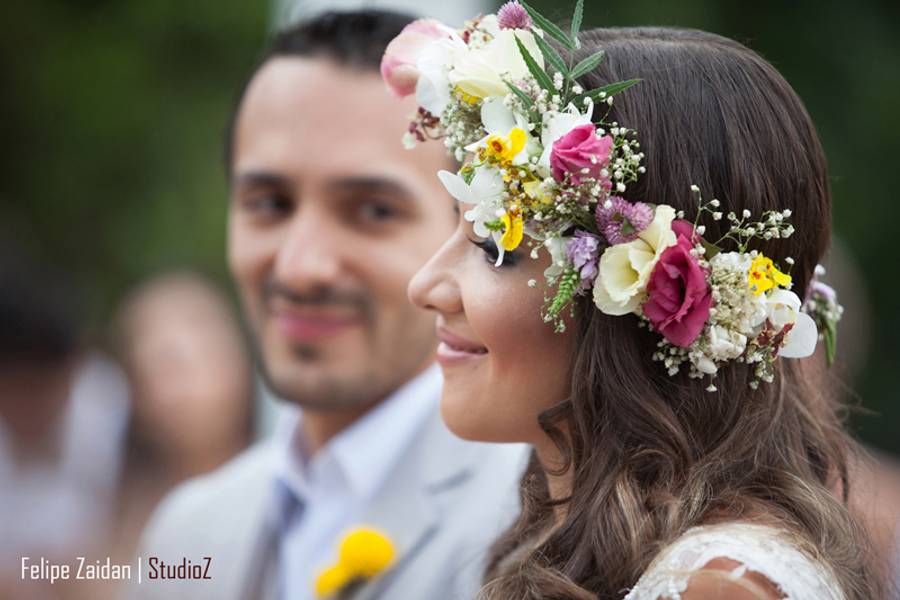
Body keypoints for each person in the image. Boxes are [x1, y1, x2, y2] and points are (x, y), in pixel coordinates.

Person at [398, 3, 888, 599]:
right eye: (457, 228)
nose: (423, 285)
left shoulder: (718, 587)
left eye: (494, 248)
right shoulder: (587, 541)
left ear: (641, 295)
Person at [133, 10, 527, 600]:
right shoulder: (186, 533)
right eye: (269, 203)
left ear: (471, 226)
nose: (300, 266)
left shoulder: (538, 526)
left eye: (372, 211)